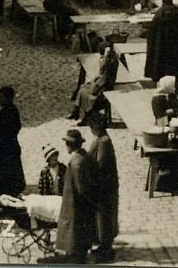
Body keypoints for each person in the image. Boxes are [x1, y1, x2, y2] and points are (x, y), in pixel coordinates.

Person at [56, 129, 98, 263]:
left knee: (76, 233)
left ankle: (77, 257)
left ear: (69, 145)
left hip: (76, 206)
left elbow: (81, 189)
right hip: (81, 206)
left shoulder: (75, 163)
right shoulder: (84, 157)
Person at [86, 112, 119, 262]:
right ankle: (104, 246)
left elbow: (101, 165)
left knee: (104, 218)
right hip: (104, 186)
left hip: (104, 188)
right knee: (102, 218)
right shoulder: (101, 139)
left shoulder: (103, 142)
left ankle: (106, 250)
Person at [0, 86, 24, 208]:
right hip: (11, 148)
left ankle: (3, 200)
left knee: (3, 176)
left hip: (5, 150)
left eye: (1, 97)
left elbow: (2, 133)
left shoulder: (6, 113)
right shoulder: (13, 110)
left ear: (7, 98)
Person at [144, 0, 178, 83]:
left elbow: (152, 33)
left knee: (160, 64)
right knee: (175, 65)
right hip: (176, 46)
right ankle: (176, 84)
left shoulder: (158, 14)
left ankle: (161, 82)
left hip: (160, 46)